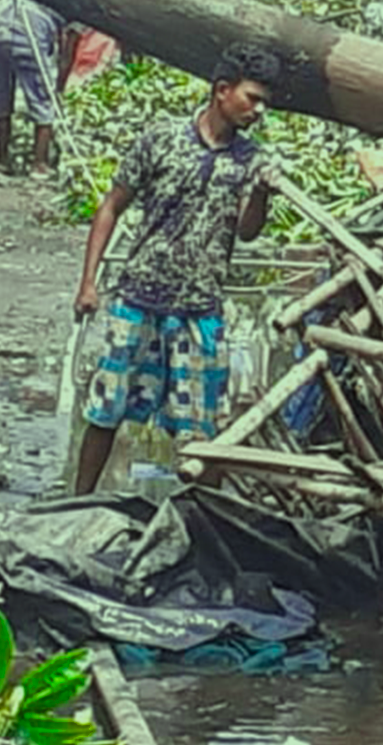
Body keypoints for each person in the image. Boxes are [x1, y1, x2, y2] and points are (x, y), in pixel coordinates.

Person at [71, 42, 283, 494]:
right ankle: (77, 501)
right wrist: (88, 283)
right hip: (138, 300)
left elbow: (247, 232)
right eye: (252, 98)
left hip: (199, 310)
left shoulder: (251, 161)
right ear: (222, 90)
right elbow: (111, 206)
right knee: (105, 409)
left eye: (266, 102)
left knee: (201, 430)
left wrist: (263, 194)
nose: (259, 110)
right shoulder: (161, 138)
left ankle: (201, 520)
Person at [0, 0, 81, 177]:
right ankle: (39, 164)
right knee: (42, 101)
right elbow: (66, 55)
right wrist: (58, 90)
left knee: (1, 96)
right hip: (29, 36)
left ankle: (2, 160)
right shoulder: (79, 8)